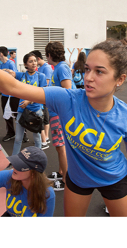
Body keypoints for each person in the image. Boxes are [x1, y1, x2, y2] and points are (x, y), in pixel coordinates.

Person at [0, 25, 127, 217]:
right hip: (79, 179)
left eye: (99, 72)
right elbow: (11, 86)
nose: (88, 77)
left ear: (120, 79)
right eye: (87, 69)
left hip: (114, 178)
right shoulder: (67, 99)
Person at [7, 52, 47, 156]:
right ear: (25, 64)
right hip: (22, 111)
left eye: (35, 61)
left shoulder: (41, 76)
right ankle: (14, 160)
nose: (34, 63)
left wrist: (29, 101)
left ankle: (38, 157)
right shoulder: (22, 75)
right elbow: (11, 74)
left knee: (37, 138)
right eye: (30, 61)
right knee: (18, 139)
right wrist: (3, 71)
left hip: (36, 111)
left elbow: (43, 94)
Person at [44, 41, 71, 189]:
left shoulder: (62, 68)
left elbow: (67, 91)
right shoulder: (58, 68)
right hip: (56, 113)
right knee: (59, 147)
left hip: (59, 115)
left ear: (49, 55)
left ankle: (66, 180)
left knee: (61, 147)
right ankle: (62, 172)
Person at [0, 46, 22, 143]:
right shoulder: (1, 65)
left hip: (13, 95)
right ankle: (11, 133)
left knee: (17, 114)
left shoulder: (11, 64)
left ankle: (23, 134)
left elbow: (15, 77)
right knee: (7, 115)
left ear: (1, 54)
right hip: (5, 95)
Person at [33, 50, 53, 147]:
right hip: (41, 96)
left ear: (38, 59)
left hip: (44, 96)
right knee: (44, 118)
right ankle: (45, 138)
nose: (33, 63)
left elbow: (46, 84)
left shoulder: (47, 68)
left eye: (34, 60)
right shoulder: (40, 68)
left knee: (43, 119)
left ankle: (45, 139)